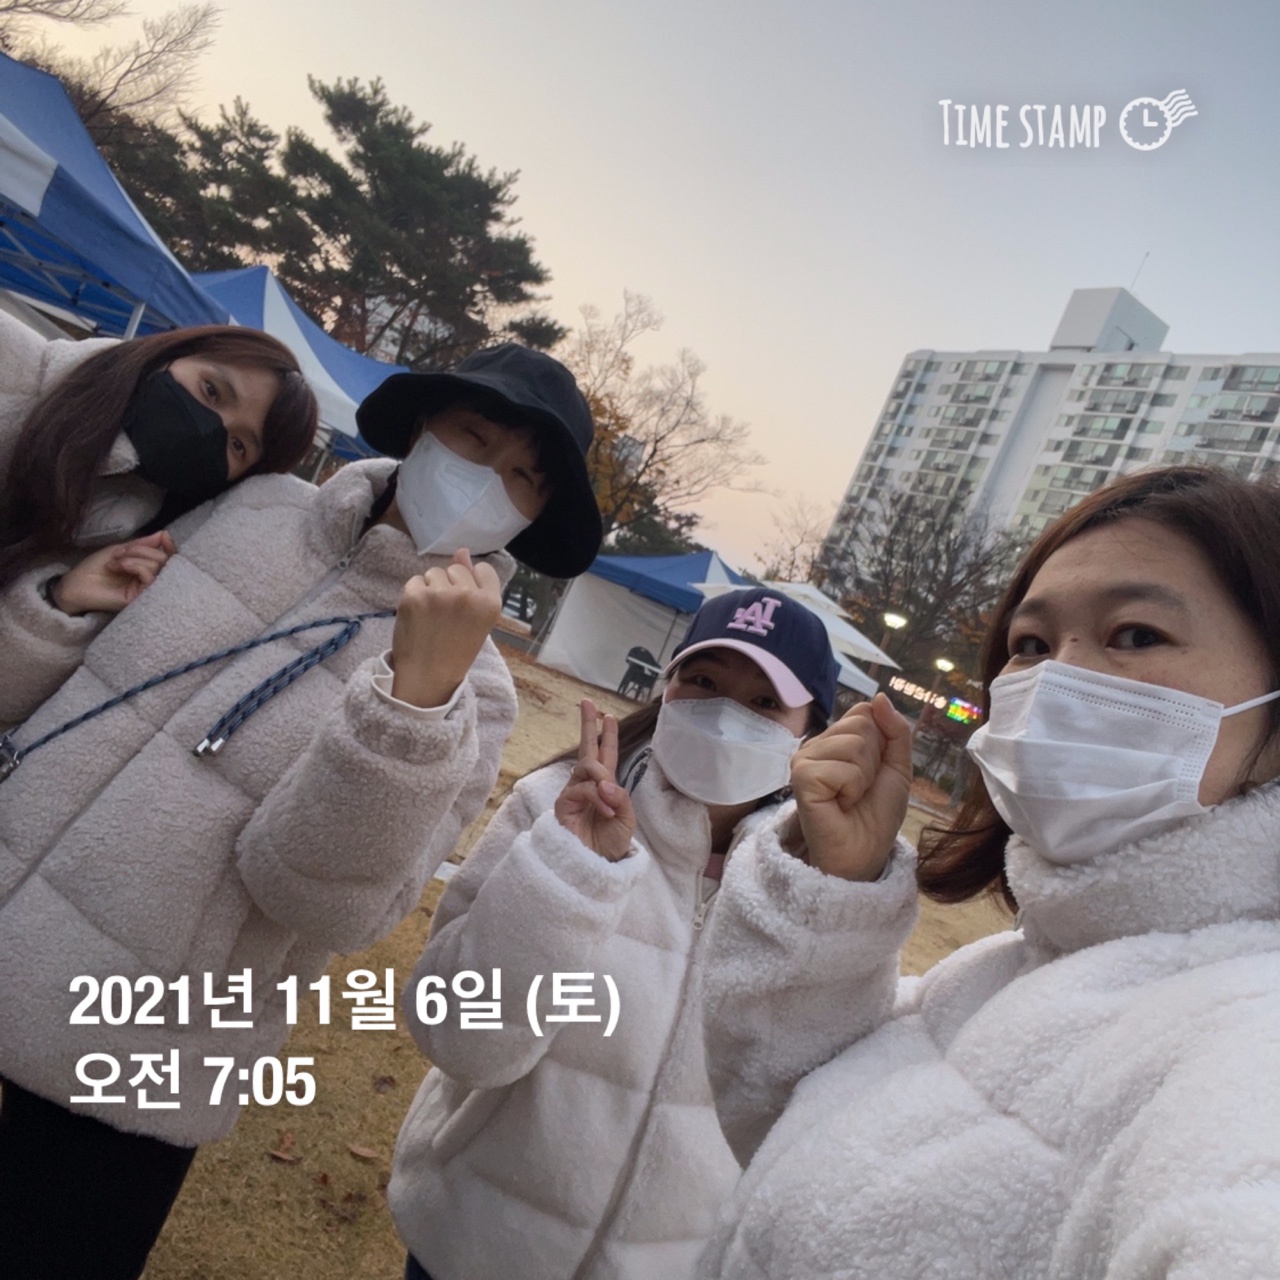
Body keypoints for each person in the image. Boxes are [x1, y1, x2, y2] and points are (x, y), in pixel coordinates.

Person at [0, 343, 604, 1280]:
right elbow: (34, 702)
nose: (491, 479)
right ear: (421, 428)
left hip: (127, 1062)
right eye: (474, 437)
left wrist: (413, 703)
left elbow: (330, 906)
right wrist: (58, 610)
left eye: (527, 477)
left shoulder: (478, 697)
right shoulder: (249, 506)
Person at [697, 466, 1280, 1280]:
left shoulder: (1250, 1054)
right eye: (1030, 644)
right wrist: (838, 883)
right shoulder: (997, 972)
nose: (1056, 678)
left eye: (1135, 634)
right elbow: (783, 1122)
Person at [386, 587, 840, 1280]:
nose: (724, 714)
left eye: (763, 702)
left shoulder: (814, 889)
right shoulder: (553, 807)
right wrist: (568, 870)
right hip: (471, 1241)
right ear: (668, 689)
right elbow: (458, 1038)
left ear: (809, 736)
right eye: (704, 682)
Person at [0, 308, 320, 725]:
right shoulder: (13, 362)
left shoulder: (124, 543)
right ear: (171, 353)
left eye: (238, 445)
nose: (210, 427)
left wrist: (61, 600)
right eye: (211, 390)